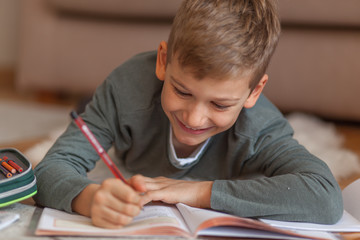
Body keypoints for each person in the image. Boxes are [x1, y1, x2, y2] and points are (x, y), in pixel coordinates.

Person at [33, 0, 343, 229]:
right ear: (163, 61)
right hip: (133, 101)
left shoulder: (261, 128)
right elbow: (50, 169)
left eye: (220, 105)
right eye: (182, 91)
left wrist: (198, 190)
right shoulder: (124, 91)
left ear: (254, 92)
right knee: (98, 109)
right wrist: (89, 198)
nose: (194, 119)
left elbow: (325, 197)